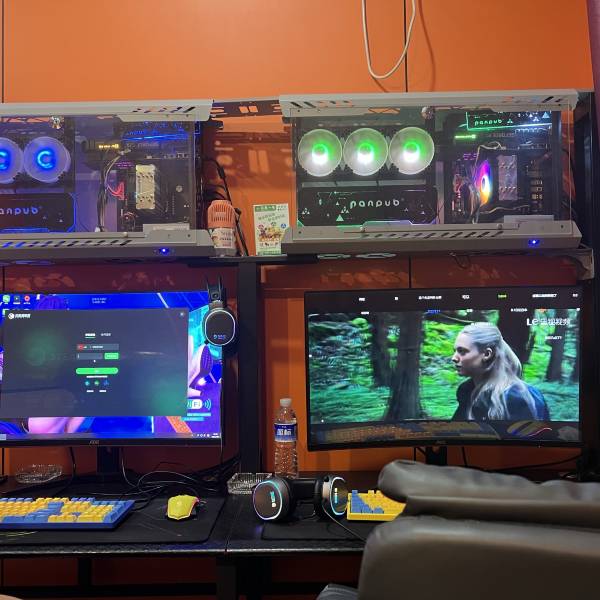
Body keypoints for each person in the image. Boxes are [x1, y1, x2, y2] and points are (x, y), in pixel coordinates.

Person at [451, 322, 549, 421]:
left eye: (462, 351)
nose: (454, 358)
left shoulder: (519, 398)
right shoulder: (466, 391)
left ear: (487, 354)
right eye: (455, 351)